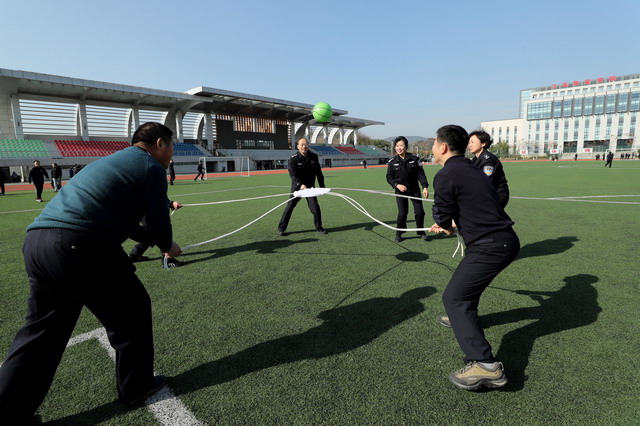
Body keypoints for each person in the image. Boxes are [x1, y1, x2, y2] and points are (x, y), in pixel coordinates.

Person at [0, 122, 182, 422]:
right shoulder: (149, 166)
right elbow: (157, 218)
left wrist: (154, 240)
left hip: (37, 243)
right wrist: (167, 245)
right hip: (80, 246)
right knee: (132, 309)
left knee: (41, 333)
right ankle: (136, 385)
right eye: (172, 146)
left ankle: (8, 412)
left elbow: (125, 223)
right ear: (160, 143)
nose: (172, 153)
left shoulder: (112, 162)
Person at [429, 124, 520, 391]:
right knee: (464, 292)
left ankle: (485, 365)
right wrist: (452, 223)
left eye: (434, 143)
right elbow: (474, 205)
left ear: (443, 146)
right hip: (502, 241)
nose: (432, 148)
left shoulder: (446, 174)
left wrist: (445, 225)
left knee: (454, 298)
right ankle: (463, 319)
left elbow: (443, 216)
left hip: (490, 245)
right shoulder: (474, 168)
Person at [278, 137, 328, 236]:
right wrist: (300, 185)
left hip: (310, 188)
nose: (304, 147)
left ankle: (319, 227)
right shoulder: (293, 159)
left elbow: (319, 173)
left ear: (308, 145)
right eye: (302, 145)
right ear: (298, 146)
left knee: (315, 208)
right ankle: (281, 228)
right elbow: (293, 175)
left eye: (305, 144)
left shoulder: (313, 156)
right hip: (297, 188)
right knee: (290, 206)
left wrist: (322, 187)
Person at [386, 136, 430, 242]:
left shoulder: (414, 159)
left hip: (414, 190)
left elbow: (420, 174)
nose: (399, 148)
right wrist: (397, 185)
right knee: (402, 213)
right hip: (400, 191)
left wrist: (425, 187)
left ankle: (421, 231)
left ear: (406, 146)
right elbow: (389, 177)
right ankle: (399, 233)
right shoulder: (392, 162)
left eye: (401, 145)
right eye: (397, 146)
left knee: (420, 212)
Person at [129, 199, 184, 267]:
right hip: (146, 210)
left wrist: (170, 203)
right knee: (158, 231)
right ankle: (168, 260)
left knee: (149, 233)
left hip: (140, 209)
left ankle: (135, 255)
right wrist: (170, 203)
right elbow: (152, 195)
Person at [467, 130, 510, 208]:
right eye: (469, 142)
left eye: (472, 142)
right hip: (486, 195)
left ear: (483, 144)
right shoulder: (475, 160)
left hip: (496, 195)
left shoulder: (488, 160)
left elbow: (486, 181)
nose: (469, 145)